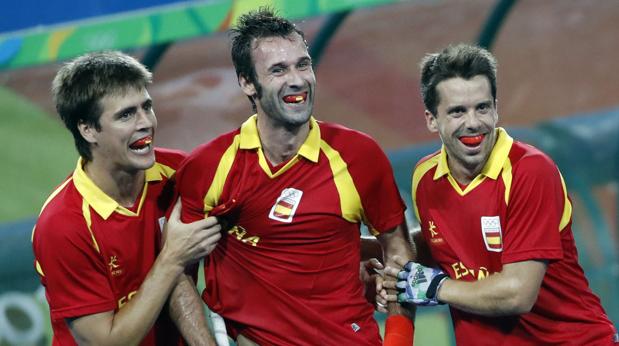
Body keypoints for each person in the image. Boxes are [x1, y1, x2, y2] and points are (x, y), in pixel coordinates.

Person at [174, 8, 414, 346]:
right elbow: (179, 271)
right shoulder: (209, 167)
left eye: (303, 64)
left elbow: (398, 247)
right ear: (247, 82)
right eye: (278, 70)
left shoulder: (359, 155)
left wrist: (400, 339)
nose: (297, 79)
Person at [380, 43, 619, 345]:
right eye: (457, 111)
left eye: (482, 107)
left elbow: (517, 293)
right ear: (431, 119)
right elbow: (445, 241)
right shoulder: (425, 177)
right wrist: (390, 261)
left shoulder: (529, 171)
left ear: (496, 108)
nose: (473, 123)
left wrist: (433, 287)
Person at [31, 51, 221, 345]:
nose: (145, 123)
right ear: (88, 129)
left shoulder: (180, 174)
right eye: (126, 114)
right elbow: (109, 341)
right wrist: (172, 257)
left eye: (147, 107)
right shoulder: (63, 225)